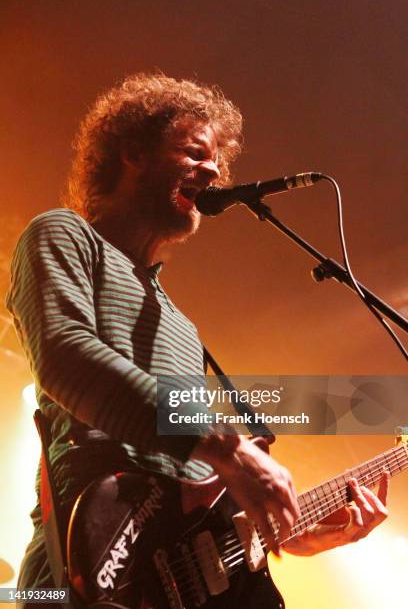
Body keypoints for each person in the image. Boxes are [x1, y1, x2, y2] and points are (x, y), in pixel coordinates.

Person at [7, 73, 389, 608]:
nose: (213, 170)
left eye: (218, 162)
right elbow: (65, 355)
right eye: (194, 153)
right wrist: (228, 446)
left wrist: (282, 533)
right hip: (88, 551)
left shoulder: (181, 323)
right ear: (133, 152)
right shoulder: (63, 234)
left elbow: (189, 475)